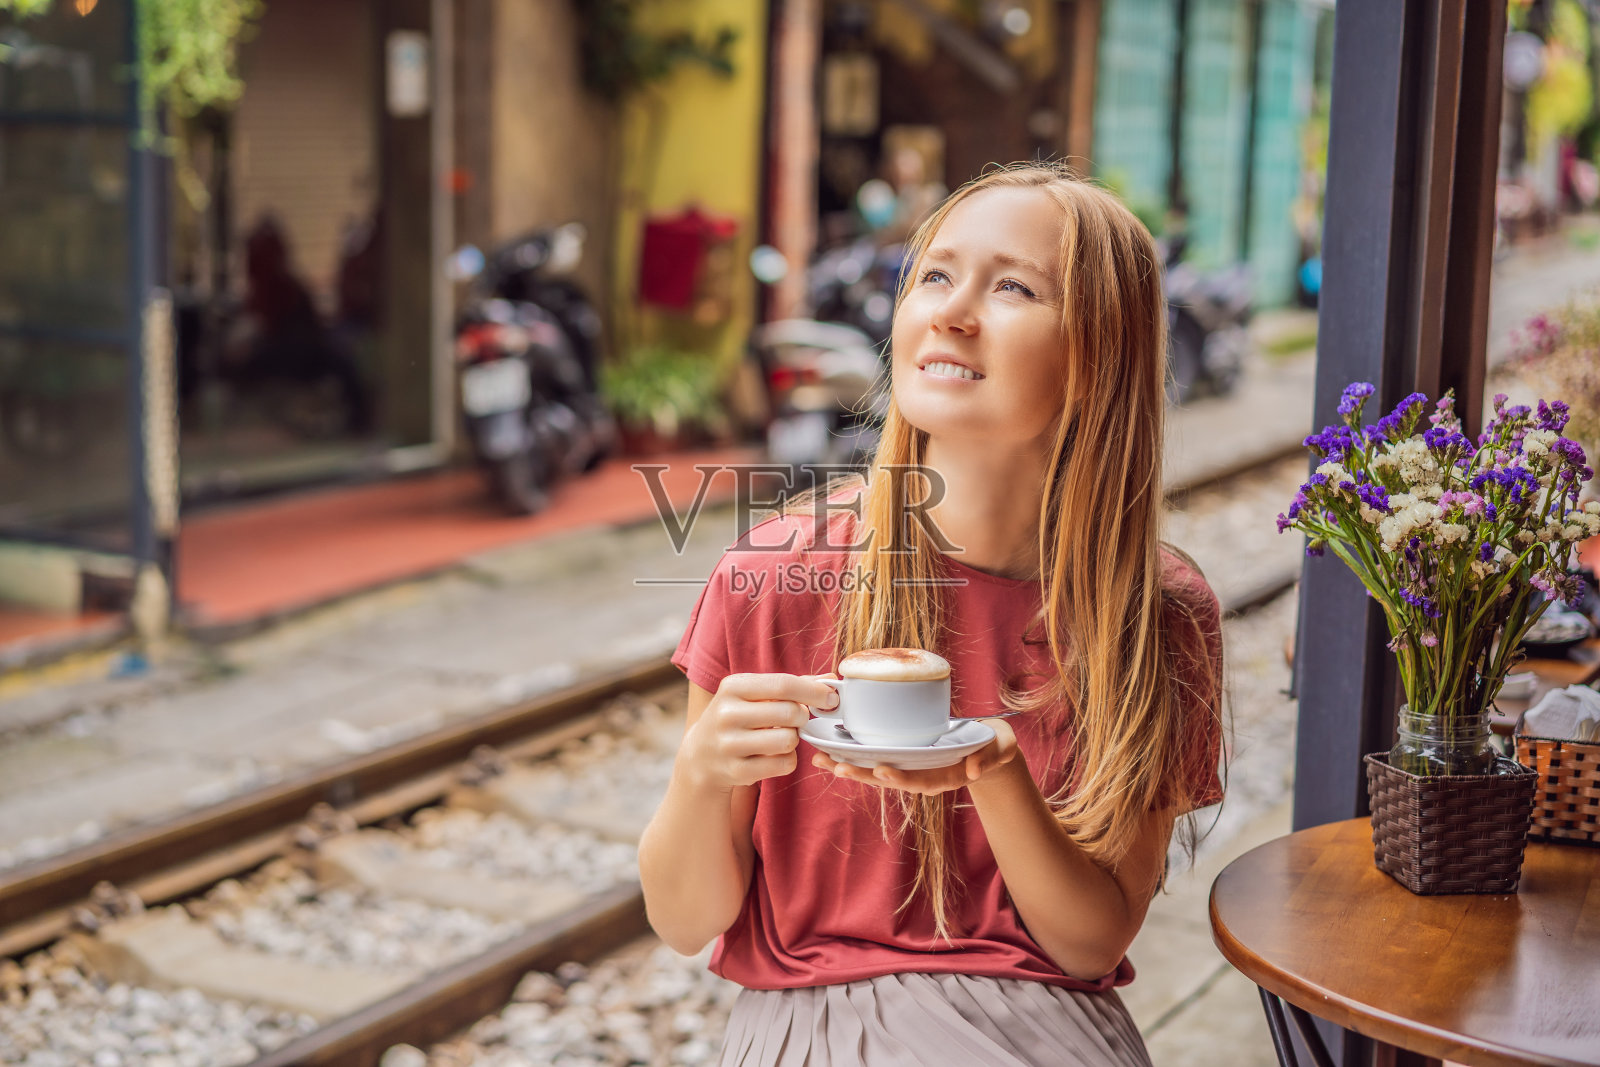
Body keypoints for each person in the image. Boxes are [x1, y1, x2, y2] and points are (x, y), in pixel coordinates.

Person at [638, 162, 1226, 1066]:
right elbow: (685, 920)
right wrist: (699, 775)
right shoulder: (774, 576)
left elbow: (1091, 941)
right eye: (937, 276)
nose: (953, 311)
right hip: (809, 1032)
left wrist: (993, 770)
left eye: (1015, 287)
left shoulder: (1155, 615)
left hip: (1043, 1033)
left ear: (1096, 355)